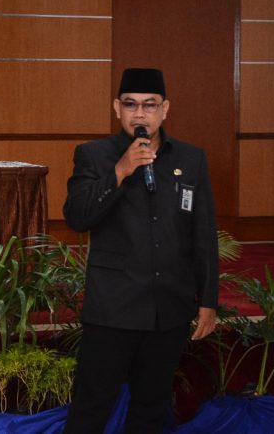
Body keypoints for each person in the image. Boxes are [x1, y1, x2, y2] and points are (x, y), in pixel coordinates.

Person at [63, 68, 219, 433]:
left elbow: (203, 234)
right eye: (131, 105)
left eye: (149, 105)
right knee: (90, 408)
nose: (140, 114)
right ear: (117, 108)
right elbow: (77, 217)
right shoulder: (94, 155)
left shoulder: (191, 159)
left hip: (168, 308)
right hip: (113, 307)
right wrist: (120, 171)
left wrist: (208, 299)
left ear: (165, 109)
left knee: (151, 408)